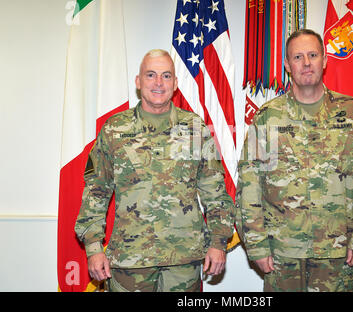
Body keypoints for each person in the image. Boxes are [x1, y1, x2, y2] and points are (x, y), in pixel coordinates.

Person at [236, 29, 353, 292]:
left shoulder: (352, 112)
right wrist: (257, 244)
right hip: (283, 254)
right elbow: (249, 187)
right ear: (287, 65)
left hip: (337, 254)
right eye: (298, 56)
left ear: (325, 60)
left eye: (313, 55)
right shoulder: (267, 117)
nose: (306, 63)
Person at [75, 49, 234, 292]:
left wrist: (218, 242)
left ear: (176, 83)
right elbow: (96, 192)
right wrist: (94, 248)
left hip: (183, 260)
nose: (158, 83)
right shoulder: (115, 129)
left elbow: (215, 192)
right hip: (130, 261)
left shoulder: (195, 129)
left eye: (166, 76)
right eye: (151, 75)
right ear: (138, 82)